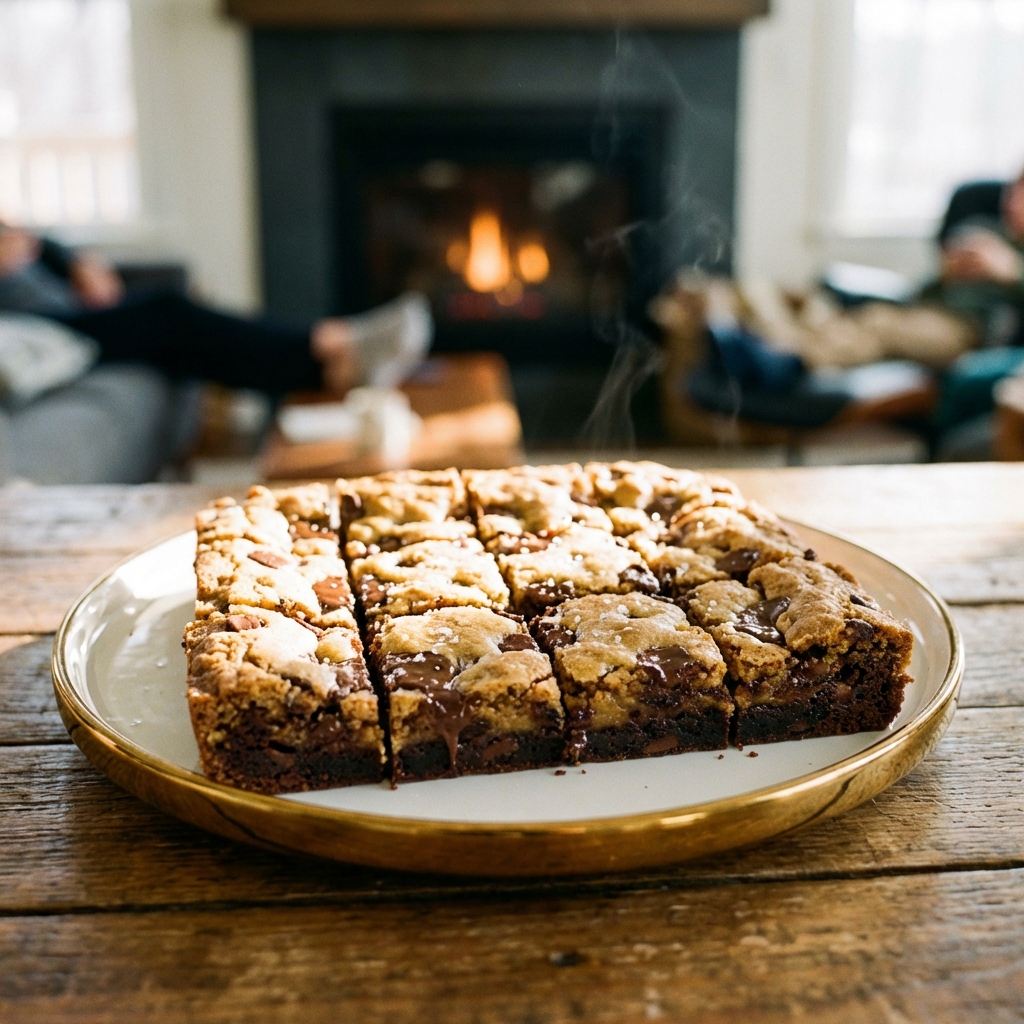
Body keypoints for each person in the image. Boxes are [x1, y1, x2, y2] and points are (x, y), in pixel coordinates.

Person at [0, 223, 432, 397]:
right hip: (37, 327)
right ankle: (330, 348)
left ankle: (326, 361)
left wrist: (72, 260)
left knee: (177, 334)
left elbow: (25, 236)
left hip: (66, 307)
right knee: (167, 314)